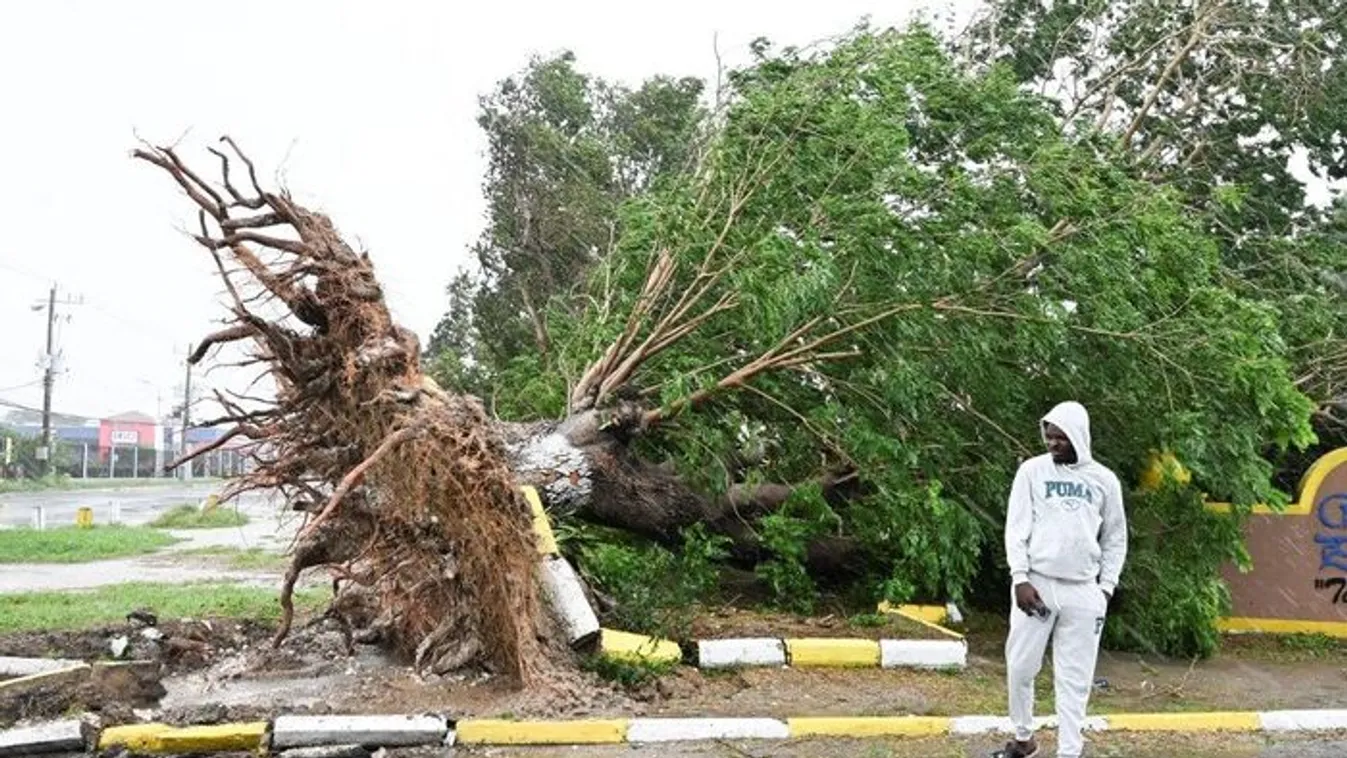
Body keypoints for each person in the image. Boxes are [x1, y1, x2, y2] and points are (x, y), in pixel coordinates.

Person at [994, 401, 1128, 758]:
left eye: (1061, 438)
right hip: (1036, 583)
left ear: (1079, 438)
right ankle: (1024, 740)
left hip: (1084, 592)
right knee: (1021, 667)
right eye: (1049, 437)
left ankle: (1070, 752)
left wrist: (1105, 589)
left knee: (1074, 679)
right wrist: (1020, 577)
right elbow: (1016, 528)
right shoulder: (1032, 472)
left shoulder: (1104, 480)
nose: (1053, 444)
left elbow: (1115, 537)